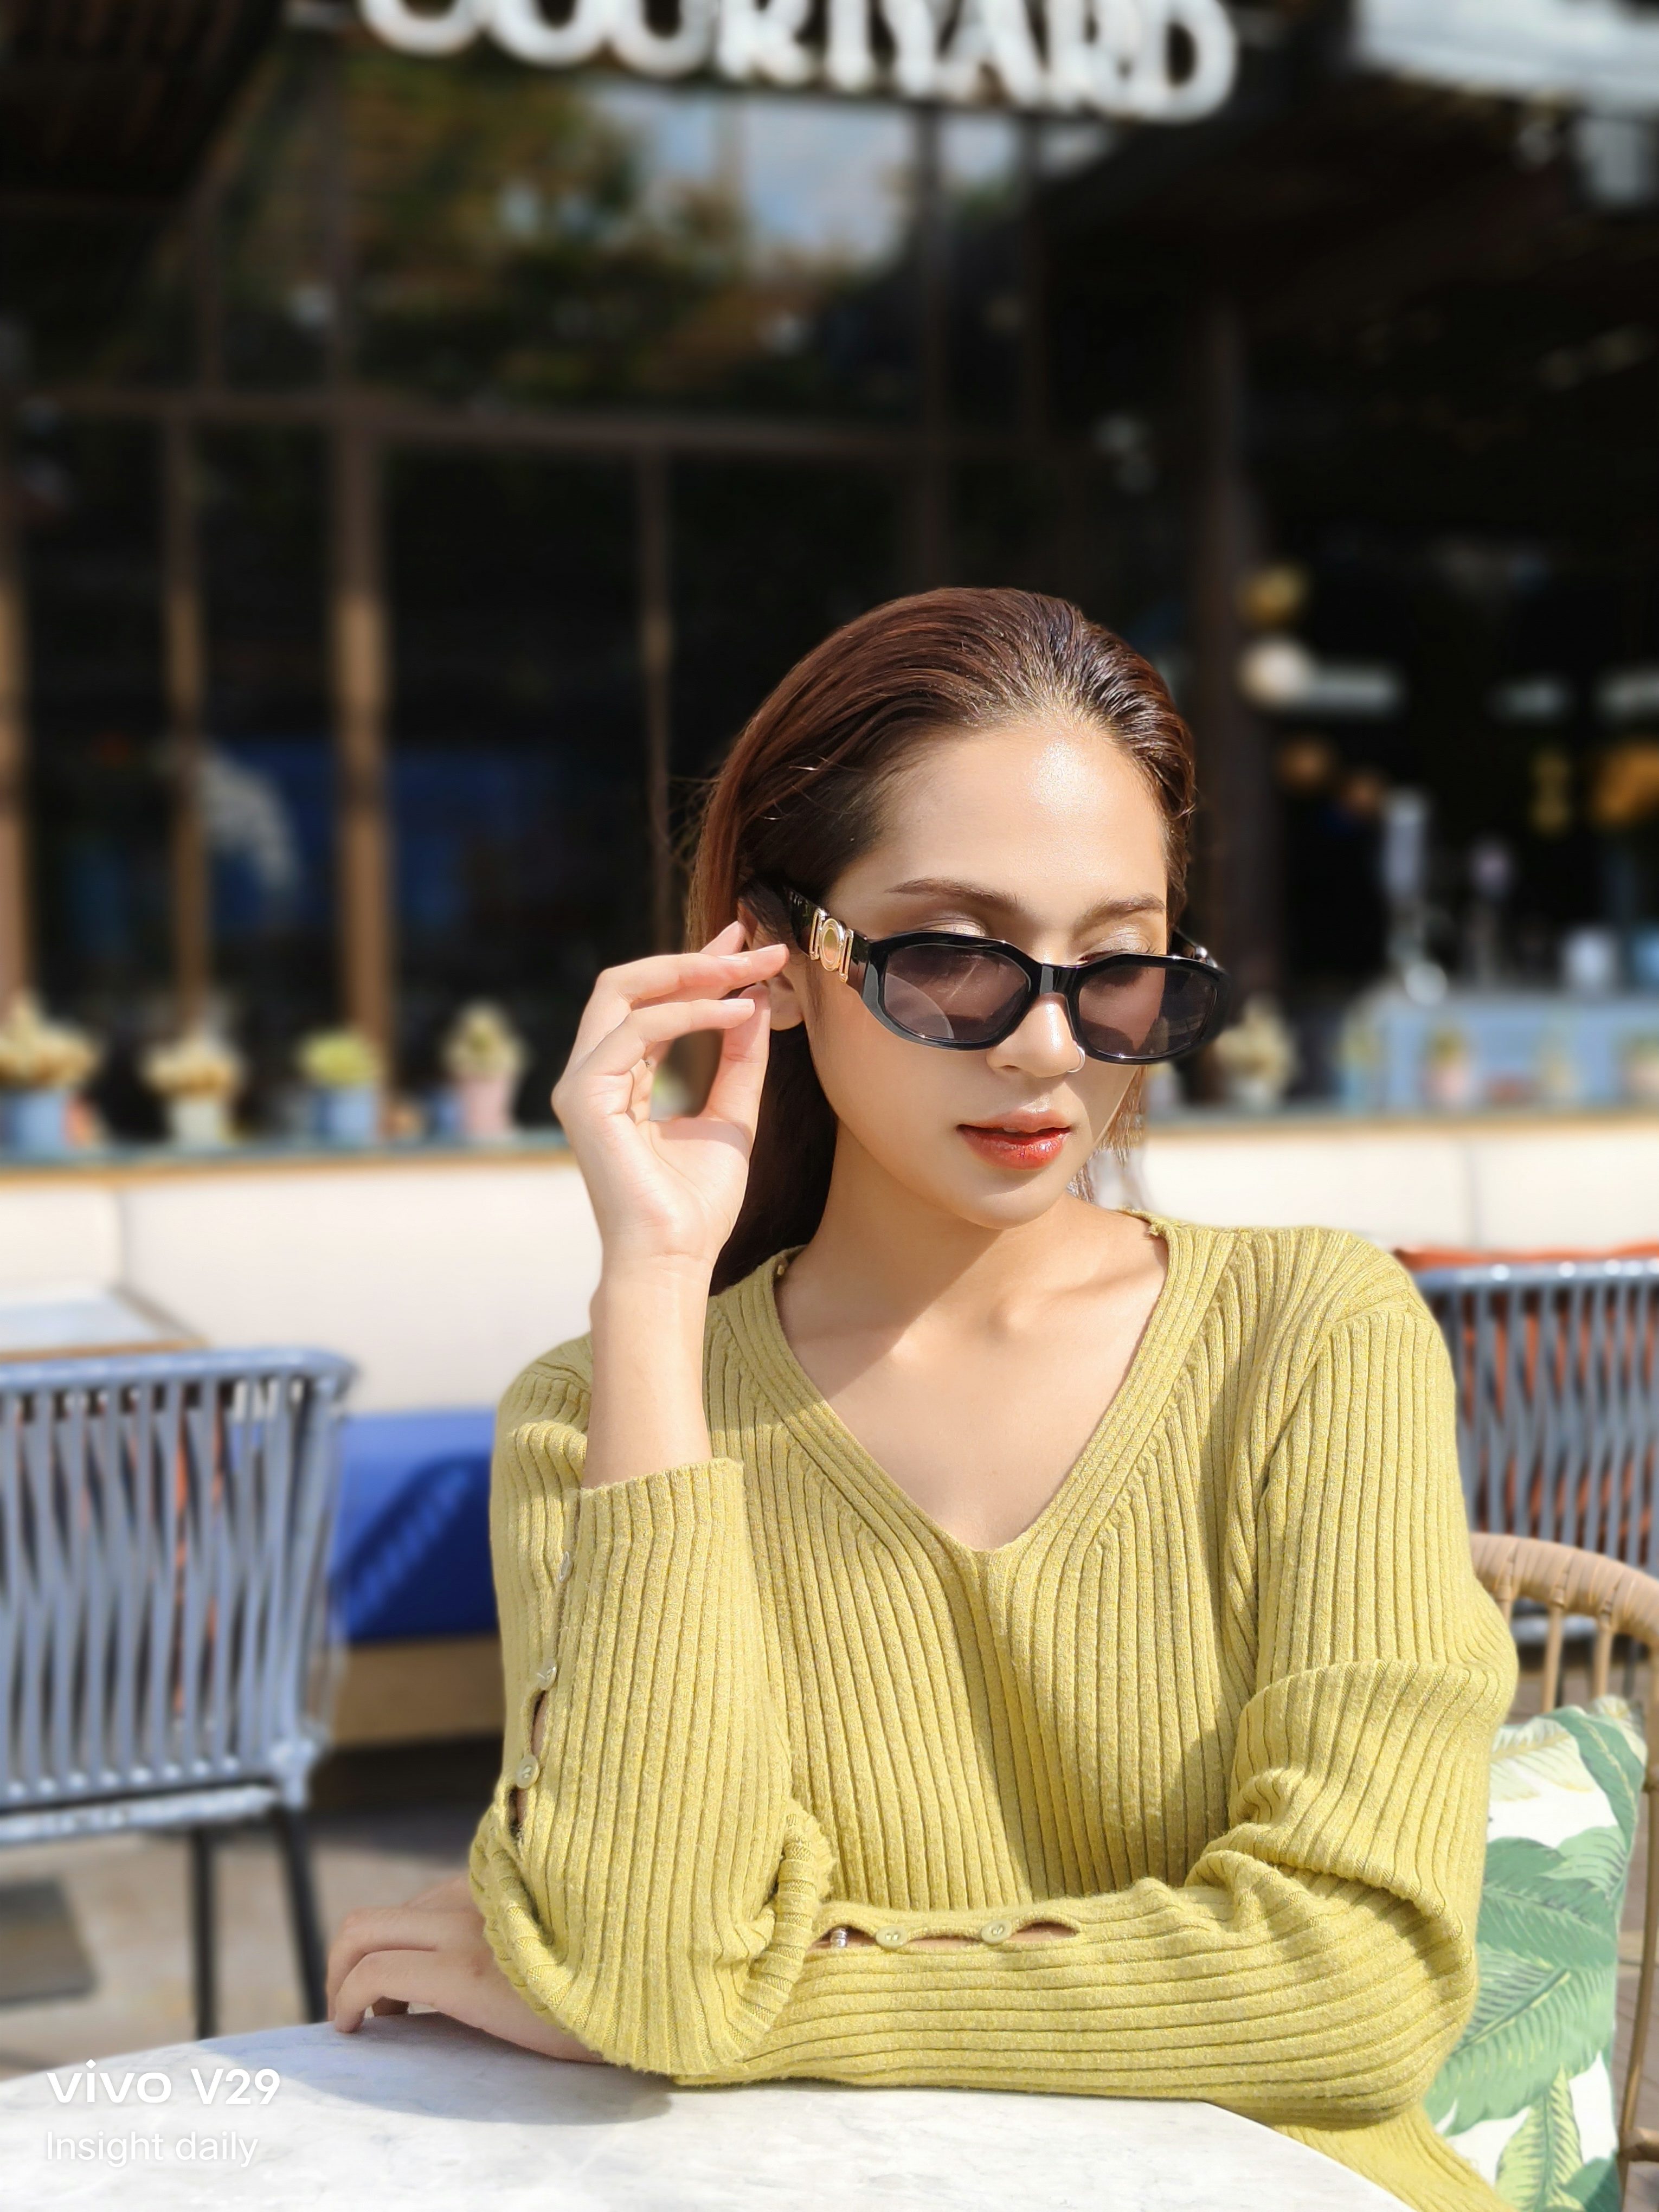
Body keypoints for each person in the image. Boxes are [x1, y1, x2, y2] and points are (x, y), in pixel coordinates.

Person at [326, 588, 1515, 2212]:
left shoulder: (1312, 1338)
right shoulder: (598, 1412)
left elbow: (1354, 1984)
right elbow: (647, 1945)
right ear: (775, 961)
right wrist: (655, 1287)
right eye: (954, 959)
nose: (1046, 1048)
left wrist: (746, 2002)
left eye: (1117, 968)